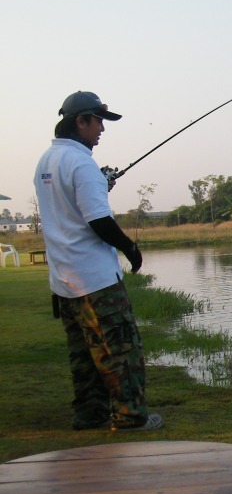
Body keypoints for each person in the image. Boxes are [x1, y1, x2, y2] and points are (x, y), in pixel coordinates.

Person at [34, 91, 162, 432]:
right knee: (121, 349)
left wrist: (100, 185)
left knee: (84, 355)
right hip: (96, 280)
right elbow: (98, 222)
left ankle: (89, 415)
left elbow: (68, 210)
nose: (102, 129)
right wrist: (130, 248)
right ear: (81, 121)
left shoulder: (46, 161)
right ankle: (132, 417)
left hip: (64, 280)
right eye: (99, 121)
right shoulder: (81, 164)